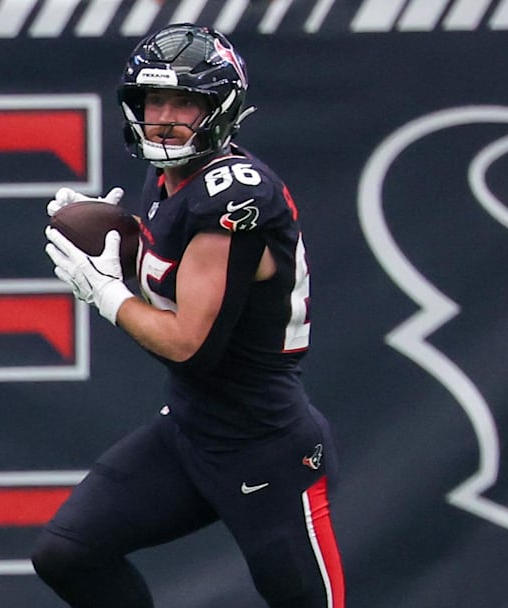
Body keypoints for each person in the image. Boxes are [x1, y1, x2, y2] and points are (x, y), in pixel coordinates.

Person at [33, 23, 345, 608]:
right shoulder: (168, 179)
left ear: (220, 109)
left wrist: (106, 292)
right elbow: (171, 271)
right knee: (67, 553)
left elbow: (189, 344)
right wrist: (115, 238)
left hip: (266, 444)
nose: (164, 118)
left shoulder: (235, 196)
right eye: (154, 101)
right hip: (191, 431)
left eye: (184, 103)